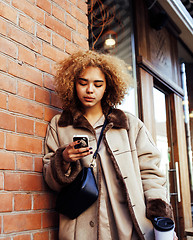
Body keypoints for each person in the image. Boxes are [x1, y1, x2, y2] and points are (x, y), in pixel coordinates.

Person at [43, 50, 178, 240]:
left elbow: (151, 174)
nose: (90, 90)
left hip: (127, 225)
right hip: (79, 230)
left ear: (108, 87)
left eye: (98, 84)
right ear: (72, 84)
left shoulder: (129, 125)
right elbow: (50, 180)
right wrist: (63, 159)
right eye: (83, 83)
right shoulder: (60, 125)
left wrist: (161, 219)